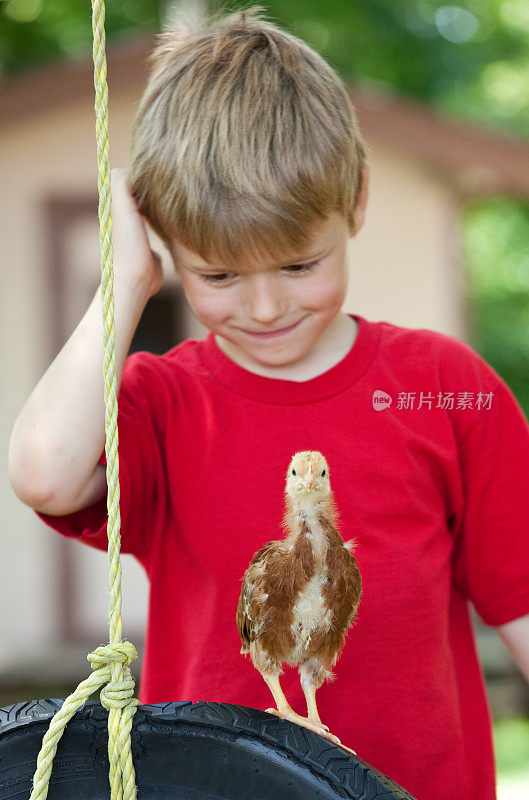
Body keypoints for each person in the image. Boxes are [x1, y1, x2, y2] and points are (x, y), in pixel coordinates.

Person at [8, 6, 529, 800]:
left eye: (296, 266)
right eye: (217, 276)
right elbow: (45, 476)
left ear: (354, 201)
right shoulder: (163, 401)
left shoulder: (443, 386)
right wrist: (124, 284)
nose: (262, 309)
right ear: (162, 243)